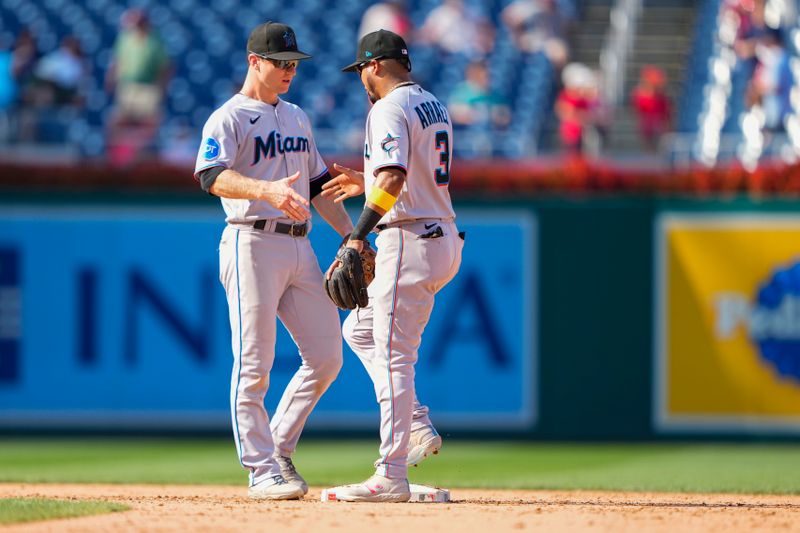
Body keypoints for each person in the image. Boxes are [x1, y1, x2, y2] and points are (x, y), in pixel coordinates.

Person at [193, 21, 354, 500]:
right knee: (254, 362)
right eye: (281, 63)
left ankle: (279, 448)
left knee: (326, 357)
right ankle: (261, 470)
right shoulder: (229, 117)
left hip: (299, 244)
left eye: (294, 64)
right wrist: (265, 189)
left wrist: (352, 236)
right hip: (251, 241)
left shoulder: (297, 117)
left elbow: (319, 185)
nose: (289, 71)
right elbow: (209, 176)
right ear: (254, 62)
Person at [321, 29, 464, 502]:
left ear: (376, 65)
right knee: (359, 331)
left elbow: (396, 175)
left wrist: (356, 235)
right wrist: (369, 181)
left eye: (361, 68)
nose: (361, 78)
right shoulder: (432, 103)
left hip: (410, 239)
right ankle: (417, 425)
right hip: (441, 235)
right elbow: (409, 173)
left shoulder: (387, 107)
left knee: (394, 355)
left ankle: (391, 473)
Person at [106, 9, 172, 166]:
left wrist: (161, 88)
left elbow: (164, 68)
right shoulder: (125, 38)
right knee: (117, 121)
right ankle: (115, 158)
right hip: (127, 86)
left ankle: (144, 158)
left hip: (148, 87)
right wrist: (111, 78)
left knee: (149, 123)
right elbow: (117, 60)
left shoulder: (155, 42)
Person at [630, 65, 671, 151]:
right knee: (649, 130)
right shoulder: (642, 95)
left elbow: (666, 111)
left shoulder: (661, 97)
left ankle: (653, 149)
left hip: (657, 122)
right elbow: (638, 107)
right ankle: (650, 149)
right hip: (649, 122)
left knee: (656, 131)